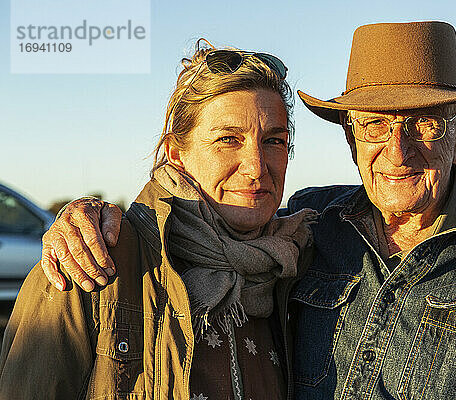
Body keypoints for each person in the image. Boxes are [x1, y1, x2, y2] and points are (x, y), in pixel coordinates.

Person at [30, 22, 456, 399]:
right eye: (375, 126)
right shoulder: (306, 231)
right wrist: (85, 217)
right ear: (351, 137)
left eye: (424, 122)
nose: (397, 154)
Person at [0, 39, 318, 399]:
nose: (256, 167)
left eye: (274, 141)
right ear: (176, 154)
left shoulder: (299, 268)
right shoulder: (88, 264)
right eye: (228, 139)